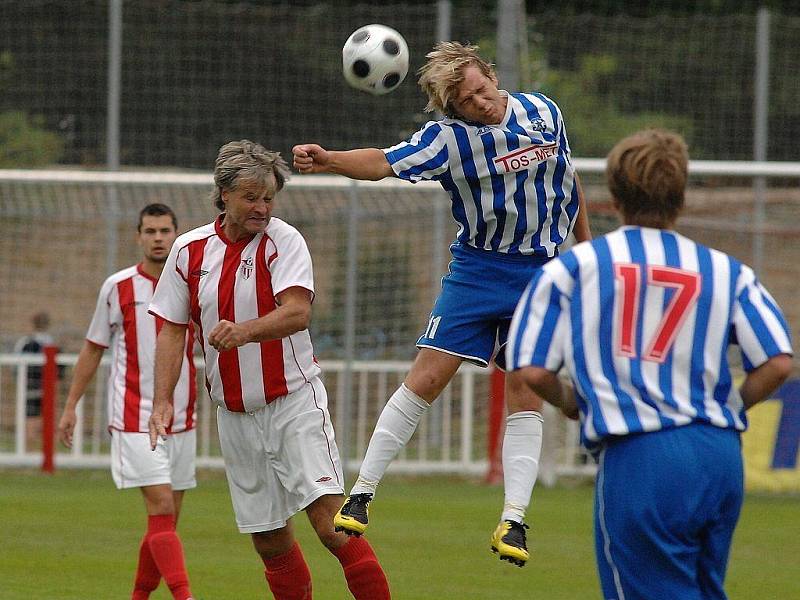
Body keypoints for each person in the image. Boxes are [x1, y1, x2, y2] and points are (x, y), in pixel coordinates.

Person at [293, 41, 591, 566]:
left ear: (491, 76)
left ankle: (514, 520)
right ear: (452, 108)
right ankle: (362, 493)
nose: (482, 101)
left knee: (526, 385)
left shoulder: (545, 112)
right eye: (467, 99)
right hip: (478, 270)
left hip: (541, 273)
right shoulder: (448, 141)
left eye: (482, 88)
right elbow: (383, 163)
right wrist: (329, 160)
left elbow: (570, 183)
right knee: (428, 376)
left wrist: (585, 252)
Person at [506, 129, 793, 599]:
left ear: (614, 196)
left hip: (642, 456)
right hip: (719, 456)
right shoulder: (727, 270)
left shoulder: (574, 268)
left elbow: (531, 370)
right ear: (680, 197)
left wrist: (570, 401)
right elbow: (778, 362)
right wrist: (724, 407)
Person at [148, 140, 391, 600]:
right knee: (270, 540)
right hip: (235, 415)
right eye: (251, 197)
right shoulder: (188, 251)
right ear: (223, 194)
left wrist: (244, 332)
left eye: (268, 198)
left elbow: (297, 313)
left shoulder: (284, 240)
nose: (262, 207)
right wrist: (161, 401)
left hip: (293, 402)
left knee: (331, 525)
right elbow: (172, 330)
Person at [58, 203, 196, 600]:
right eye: (150, 231)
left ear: (175, 234)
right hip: (133, 415)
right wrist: (71, 406)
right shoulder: (117, 286)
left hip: (182, 416)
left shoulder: (190, 284)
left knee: (165, 522)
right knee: (162, 505)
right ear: (138, 236)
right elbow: (92, 348)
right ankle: (185, 596)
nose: (157, 238)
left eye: (164, 230)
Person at [14, 311, 59, 449]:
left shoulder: (25, 343)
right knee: (48, 417)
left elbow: (16, 366)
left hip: (30, 387)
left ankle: (30, 450)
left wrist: (19, 382)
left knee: (31, 419)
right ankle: (47, 450)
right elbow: (59, 368)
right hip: (48, 387)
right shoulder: (52, 344)